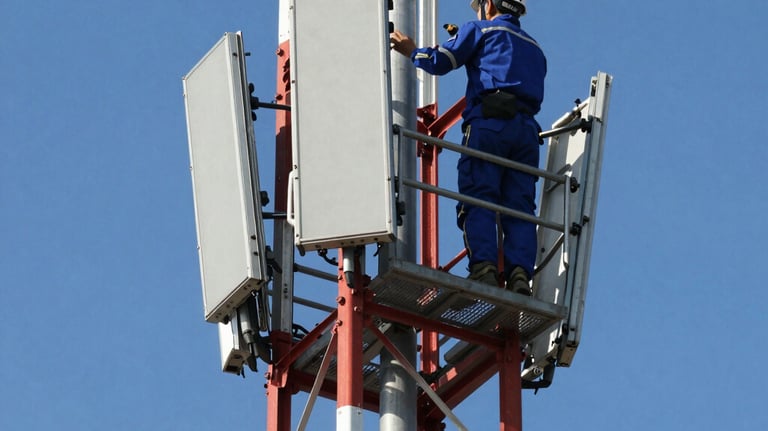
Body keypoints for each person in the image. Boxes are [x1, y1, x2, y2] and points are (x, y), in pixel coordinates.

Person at [390, 0, 546, 295]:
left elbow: (441, 61)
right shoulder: (536, 49)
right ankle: (520, 276)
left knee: (480, 197)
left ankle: (485, 269)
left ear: (488, 4)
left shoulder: (480, 30)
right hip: (526, 133)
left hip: (490, 125)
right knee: (519, 207)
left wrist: (413, 50)